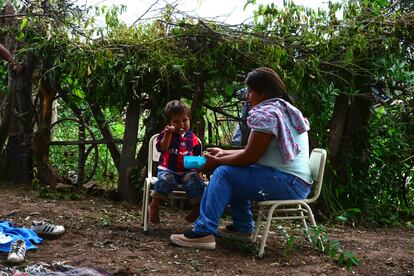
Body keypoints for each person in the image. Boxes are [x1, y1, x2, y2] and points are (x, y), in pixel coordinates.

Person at [170, 67, 313, 249]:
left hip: (286, 184)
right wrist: (223, 153)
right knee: (234, 172)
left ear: (263, 93)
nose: (248, 97)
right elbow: (254, 151)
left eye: (251, 91)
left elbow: (249, 157)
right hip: (293, 182)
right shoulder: (281, 109)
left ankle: (204, 232)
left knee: (225, 173)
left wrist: (218, 161)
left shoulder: (267, 114)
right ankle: (242, 227)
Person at [149, 100, 206, 224]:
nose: (181, 124)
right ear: (169, 123)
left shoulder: (193, 137)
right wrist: (168, 134)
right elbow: (162, 148)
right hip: (168, 169)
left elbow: (197, 157)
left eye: (184, 120)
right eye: (176, 121)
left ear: (189, 119)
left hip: (187, 171)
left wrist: (200, 172)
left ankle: (197, 209)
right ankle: (154, 205)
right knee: (166, 180)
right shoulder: (166, 134)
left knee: (195, 181)